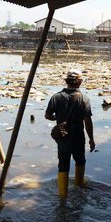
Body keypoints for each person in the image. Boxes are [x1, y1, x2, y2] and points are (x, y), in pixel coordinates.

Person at [45, 69, 95, 199]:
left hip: (63, 137)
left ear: (66, 82)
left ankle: (62, 196)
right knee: (80, 161)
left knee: (63, 165)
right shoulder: (84, 98)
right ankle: (79, 187)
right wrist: (91, 139)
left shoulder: (56, 97)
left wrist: (58, 119)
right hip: (78, 138)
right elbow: (88, 121)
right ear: (79, 82)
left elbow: (47, 115)